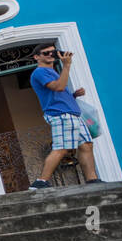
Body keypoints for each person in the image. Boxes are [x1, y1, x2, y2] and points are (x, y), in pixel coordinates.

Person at [30, 45, 99, 189]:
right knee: (61, 148)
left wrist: (74, 95)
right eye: (46, 53)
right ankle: (40, 182)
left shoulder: (52, 72)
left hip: (72, 113)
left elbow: (58, 94)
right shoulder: (40, 72)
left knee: (86, 145)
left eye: (53, 52)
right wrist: (66, 65)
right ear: (37, 57)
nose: (51, 54)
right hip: (60, 114)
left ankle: (92, 180)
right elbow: (58, 87)